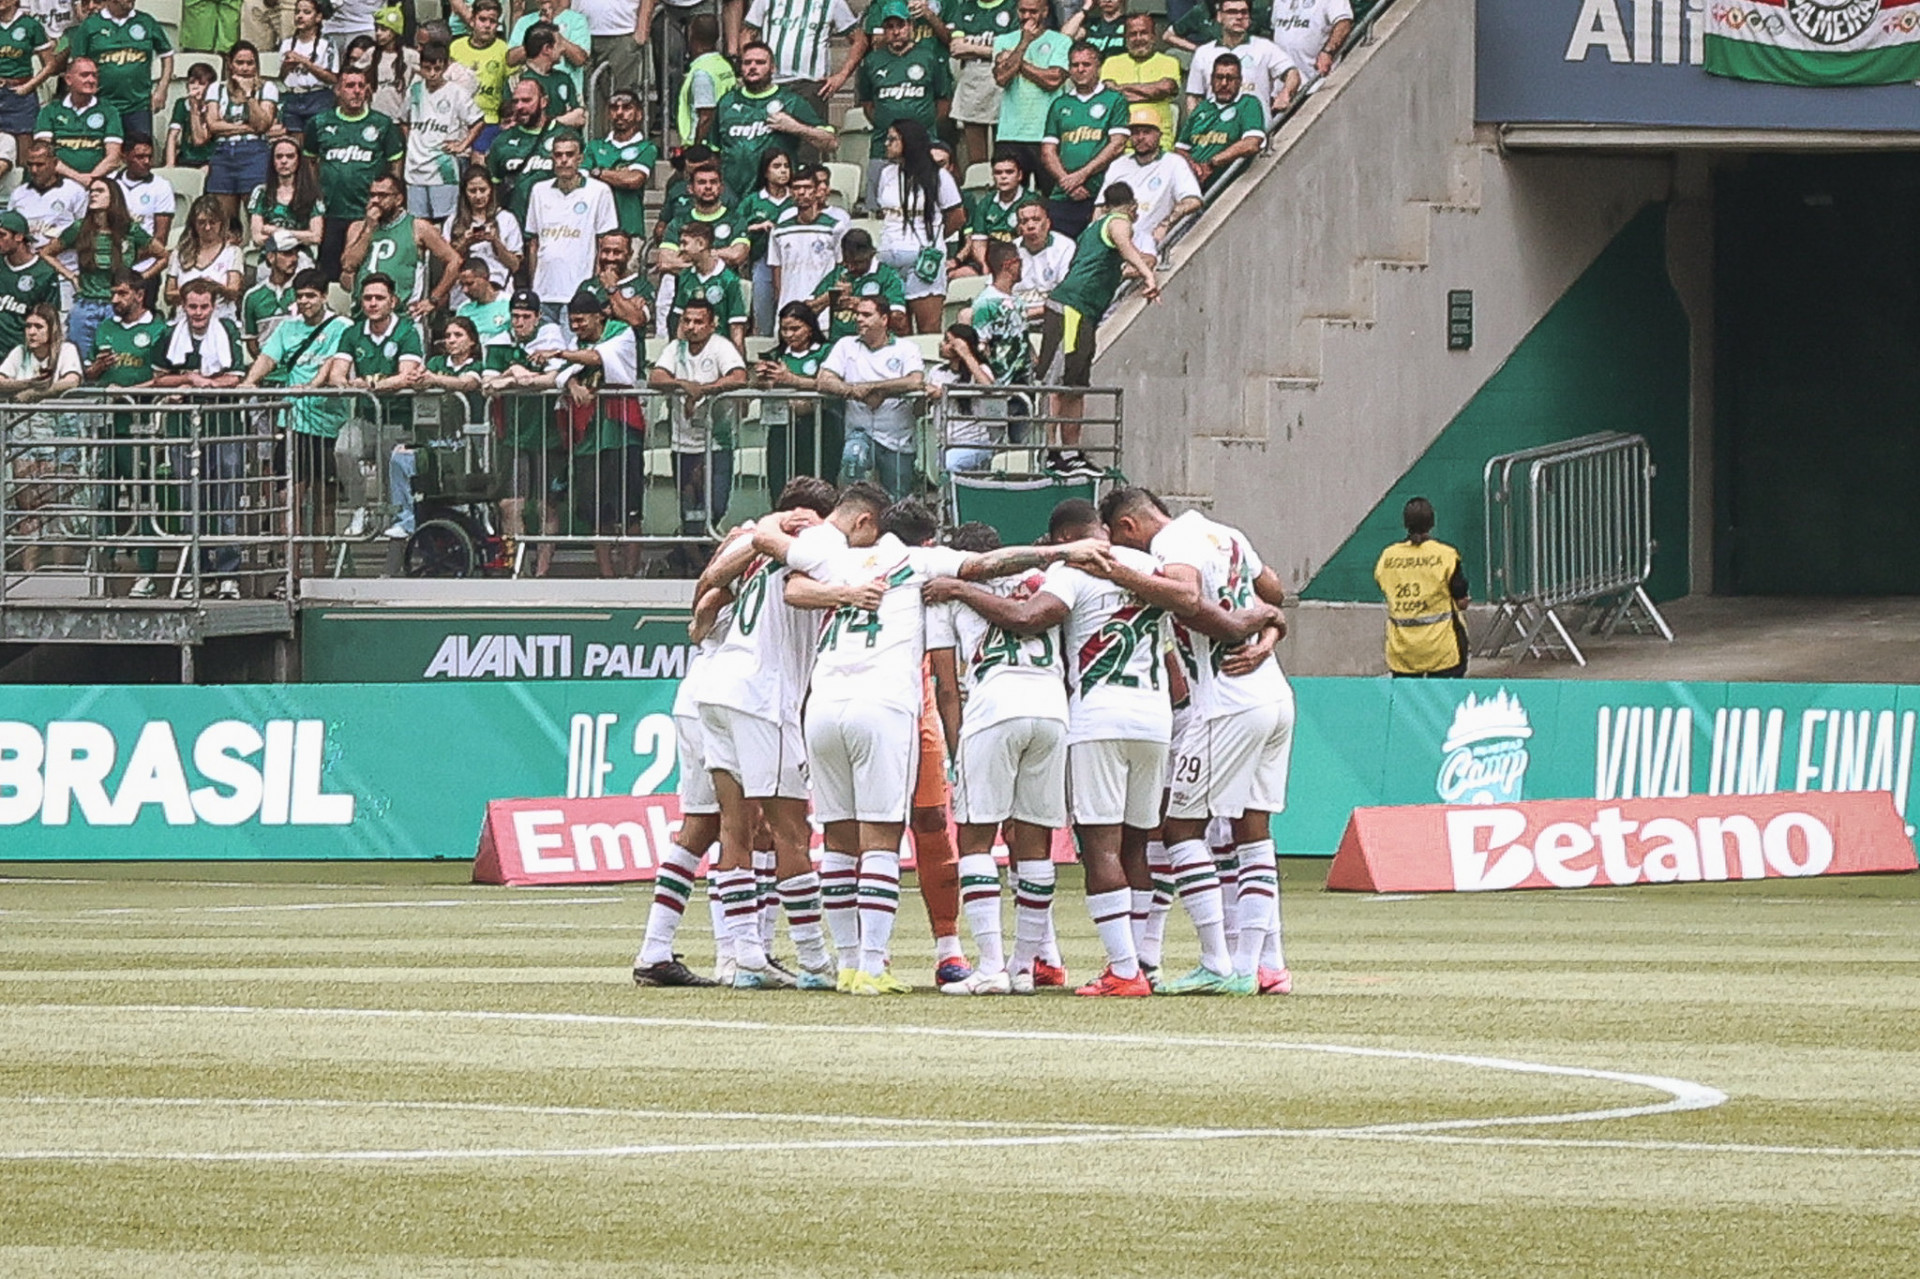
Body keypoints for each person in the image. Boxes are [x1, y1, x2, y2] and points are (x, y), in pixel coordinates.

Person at [753, 487, 1107, 993]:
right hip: (885, 703)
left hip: (824, 702)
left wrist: (778, 524)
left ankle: (846, 963)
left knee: (837, 840)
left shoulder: (833, 556)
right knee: (881, 838)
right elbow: (988, 565)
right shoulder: (922, 562)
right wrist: (1063, 552)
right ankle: (873, 967)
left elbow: (780, 566)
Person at [1099, 484, 1294, 995]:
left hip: (1226, 701)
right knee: (1253, 830)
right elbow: (1274, 590)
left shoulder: (1171, 545)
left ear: (1128, 527)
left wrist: (1119, 573)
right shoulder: (1226, 533)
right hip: (1274, 694)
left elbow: (1186, 597)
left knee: (1181, 828)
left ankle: (1216, 961)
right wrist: (1268, 630)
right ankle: (1260, 966)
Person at [683, 476, 844, 988]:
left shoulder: (752, 549)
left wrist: (759, 531)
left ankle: (746, 955)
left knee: (735, 827)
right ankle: (814, 960)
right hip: (762, 695)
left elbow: (708, 590)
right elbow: (798, 592)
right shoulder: (817, 544)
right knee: (790, 830)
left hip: (717, 690)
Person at [1033, 180, 1157, 476]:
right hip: (1070, 308)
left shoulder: (1092, 231)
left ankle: (1072, 453)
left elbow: (1104, 265)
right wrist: (1147, 275)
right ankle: (1049, 452)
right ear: (1132, 208)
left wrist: (1132, 271)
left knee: (1076, 387)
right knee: (1056, 383)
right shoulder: (1117, 221)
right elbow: (1124, 242)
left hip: (1084, 313)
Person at [240, 266, 351, 580]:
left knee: (324, 503)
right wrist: (249, 382)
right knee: (288, 499)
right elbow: (267, 358)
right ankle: (292, 574)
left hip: (329, 426)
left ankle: (319, 574)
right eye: (300, 296)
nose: (304, 302)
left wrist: (313, 385)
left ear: (324, 296)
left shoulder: (343, 327)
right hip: (292, 423)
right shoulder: (287, 328)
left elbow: (334, 364)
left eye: (310, 296)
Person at [529, 288, 648, 576]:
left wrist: (559, 353)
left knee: (629, 510)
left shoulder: (621, 332)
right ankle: (606, 575)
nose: (576, 326)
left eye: (581, 320)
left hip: (620, 430)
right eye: (572, 321)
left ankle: (630, 574)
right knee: (596, 512)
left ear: (598, 317)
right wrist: (571, 383)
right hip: (587, 437)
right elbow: (562, 373)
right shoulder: (576, 343)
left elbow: (595, 358)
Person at [151, 276, 248, 597]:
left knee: (227, 502)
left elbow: (236, 376)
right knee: (191, 503)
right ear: (183, 306)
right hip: (183, 429)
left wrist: (208, 385)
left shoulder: (228, 330)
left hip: (224, 428)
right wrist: (190, 379)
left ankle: (228, 573)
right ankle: (197, 571)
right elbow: (158, 378)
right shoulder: (169, 334)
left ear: (214, 306)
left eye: (204, 306)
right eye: (192, 306)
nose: (198, 313)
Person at [480, 288, 568, 576]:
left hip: (548, 434)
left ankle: (541, 571)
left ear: (538, 316)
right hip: (512, 435)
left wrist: (511, 380)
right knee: (509, 505)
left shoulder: (551, 337)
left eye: (525, 316)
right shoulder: (499, 340)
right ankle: (516, 568)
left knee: (546, 506)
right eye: (515, 316)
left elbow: (555, 379)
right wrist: (513, 372)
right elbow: (487, 384)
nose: (519, 322)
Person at [649, 295, 746, 557]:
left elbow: (739, 376)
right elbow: (656, 377)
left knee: (716, 505)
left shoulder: (721, 346)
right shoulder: (676, 348)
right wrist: (683, 384)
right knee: (689, 508)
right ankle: (693, 559)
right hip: (683, 443)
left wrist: (703, 390)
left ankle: (699, 552)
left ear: (712, 325)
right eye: (687, 321)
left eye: (698, 322)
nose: (691, 327)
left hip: (717, 442)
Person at [0, 303, 81, 572]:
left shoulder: (66, 350)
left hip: (61, 438)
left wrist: (37, 393)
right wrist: (27, 384)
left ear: (51, 328)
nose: (31, 332)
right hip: (25, 438)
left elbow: (72, 380)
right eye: (28, 326)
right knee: (28, 508)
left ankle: (60, 573)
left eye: (38, 326)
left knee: (58, 508)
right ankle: (28, 572)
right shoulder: (19, 353)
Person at [302, 64, 403, 278]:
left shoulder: (383, 124)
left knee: (367, 272)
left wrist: (388, 202)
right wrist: (317, 194)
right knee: (330, 275)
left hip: (368, 214)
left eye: (361, 86)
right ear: (338, 90)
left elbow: (395, 165)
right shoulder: (319, 123)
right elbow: (309, 161)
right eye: (350, 86)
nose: (356, 91)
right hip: (331, 213)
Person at [45, 175, 162, 356]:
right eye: (91, 191)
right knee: (81, 360)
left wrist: (139, 279)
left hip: (117, 305)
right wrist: (71, 276)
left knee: (116, 358)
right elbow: (47, 253)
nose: (93, 195)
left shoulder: (130, 229)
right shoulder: (79, 228)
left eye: (99, 191)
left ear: (113, 196)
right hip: (86, 304)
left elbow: (163, 255)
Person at [819, 293, 923, 496]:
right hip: (859, 432)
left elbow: (915, 381)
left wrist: (875, 388)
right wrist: (853, 391)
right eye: (857, 314)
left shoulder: (906, 348)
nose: (859, 319)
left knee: (897, 498)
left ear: (884, 319)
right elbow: (824, 380)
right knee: (852, 466)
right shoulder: (846, 344)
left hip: (898, 437)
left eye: (866, 315)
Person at [711, 41, 835, 200]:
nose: (753, 67)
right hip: (732, 197)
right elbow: (712, 151)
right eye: (747, 63)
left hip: (778, 199)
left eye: (760, 62)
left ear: (773, 68)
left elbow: (831, 143)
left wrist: (795, 127)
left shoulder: (791, 101)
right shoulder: (726, 102)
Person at [872, 118, 962, 335]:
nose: (886, 143)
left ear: (908, 141)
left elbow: (957, 217)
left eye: (893, 139)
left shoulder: (939, 176)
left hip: (923, 259)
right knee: (895, 327)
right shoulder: (886, 174)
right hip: (889, 257)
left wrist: (934, 240)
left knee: (928, 328)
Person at [855, 0, 951, 203]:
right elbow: (867, 104)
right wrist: (886, 122)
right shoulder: (871, 62)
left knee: (926, 203)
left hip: (925, 145)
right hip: (882, 147)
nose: (896, 32)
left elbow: (942, 101)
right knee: (878, 207)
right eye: (890, 27)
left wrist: (924, 124)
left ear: (911, 26)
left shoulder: (929, 57)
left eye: (901, 25)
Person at [522, 129, 615, 329]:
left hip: (577, 293)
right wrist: (534, 287)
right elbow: (534, 244)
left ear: (580, 159)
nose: (564, 160)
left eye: (569, 155)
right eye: (558, 155)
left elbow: (603, 243)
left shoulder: (599, 191)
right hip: (544, 292)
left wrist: (595, 288)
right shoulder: (539, 190)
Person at [339, 170, 462, 317]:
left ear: (398, 199)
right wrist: (369, 229)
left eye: (383, 195)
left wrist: (433, 300)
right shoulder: (358, 228)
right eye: (372, 195)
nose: (376, 201)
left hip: (403, 315)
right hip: (363, 314)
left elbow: (455, 261)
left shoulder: (418, 227)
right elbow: (348, 265)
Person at [1040, 40, 1127, 241]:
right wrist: (1067, 182)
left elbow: (1117, 145)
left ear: (1098, 67)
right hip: (1064, 194)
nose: (1080, 69)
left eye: (1086, 64)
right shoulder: (1060, 104)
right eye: (1075, 65)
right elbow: (1047, 151)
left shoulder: (1114, 100)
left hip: (1100, 192)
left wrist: (1081, 175)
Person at [1374, 495, 1470, 678]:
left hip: (1402, 652)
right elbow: (1461, 599)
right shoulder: (1446, 555)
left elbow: (1383, 584)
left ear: (1406, 524)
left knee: (1406, 695)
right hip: (1443, 651)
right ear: (1432, 523)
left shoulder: (1388, 556)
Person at [752, 299, 840, 490]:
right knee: (780, 482)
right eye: (784, 329)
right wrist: (762, 380)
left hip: (820, 426)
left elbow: (829, 384)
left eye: (795, 329)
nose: (789, 334)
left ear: (809, 328)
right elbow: (756, 384)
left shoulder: (826, 351)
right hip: (782, 425)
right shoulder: (776, 355)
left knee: (818, 483)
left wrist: (791, 379)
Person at [196, 40, 277, 224]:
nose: (245, 68)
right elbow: (213, 125)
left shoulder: (267, 88)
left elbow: (262, 125)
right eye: (240, 63)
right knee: (223, 219)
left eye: (250, 63)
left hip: (255, 153)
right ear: (230, 64)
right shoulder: (216, 88)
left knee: (257, 217)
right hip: (223, 154)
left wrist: (249, 95)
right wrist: (246, 127)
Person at [1103, 106, 1201, 257]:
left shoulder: (1174, 162)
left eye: (1146, 132)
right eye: (1135, 132)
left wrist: (1166, 224)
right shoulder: (1118, 165)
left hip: (1151, 246)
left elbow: (1193, 201)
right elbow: (1101, 208)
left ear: (1159, 135)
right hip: (1116, 246)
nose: (1140, 137)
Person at [66, 0, 171, 140]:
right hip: (101, 105)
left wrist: (162, 89)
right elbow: (76, 65)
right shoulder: (90, 26)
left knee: (140, 151)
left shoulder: (146, 22)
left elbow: (167, 55)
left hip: (138, 105)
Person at [989, 0, 1067, 182]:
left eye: (1033, 12)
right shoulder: (1003, 40)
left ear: (1045, 12)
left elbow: (1053, 80)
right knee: (1010, 192)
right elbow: (1002, 78)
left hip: (1047, 133)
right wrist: (1024, 43)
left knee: (1049, 192)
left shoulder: (1061, 41)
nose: (1026, 16)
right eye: (1022, 11)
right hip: (1009, 133)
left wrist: (1017, 62)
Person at [402, 42, 482, 219]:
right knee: (417, 222)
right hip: (414, 169)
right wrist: (411, 142)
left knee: (445, 221)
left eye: (437, 68)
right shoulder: (414, 91)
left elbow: (477, 121)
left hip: (443, 170)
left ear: (445, 67)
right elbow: (403, 120)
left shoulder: (456, 93)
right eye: (427, 68)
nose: (432, 74)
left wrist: (462, 145)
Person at [1186, 0, 1294, 123]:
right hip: (1216, 129)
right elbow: (1194, 96)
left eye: (1244, 12)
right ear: (1219, 16)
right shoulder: (1203, 53)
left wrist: (1286, 93)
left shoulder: (1265, 47)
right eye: (1232, 12)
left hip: (1256, 128)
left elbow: (1292, 72)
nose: (1239, 17)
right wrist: (1194, 127)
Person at [742, 0, 856, 113]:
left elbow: (859, 39)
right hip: (771, 82)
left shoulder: (832, 2)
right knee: (766, 124)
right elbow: (747, 34)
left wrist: (842, 75)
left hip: (810, 84)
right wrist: (750, 66)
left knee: (810, 124)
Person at [765, 161, 845, 316]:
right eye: (796, 188)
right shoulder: (779, 231)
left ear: (817, 191)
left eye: (807, 187)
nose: (802, 192)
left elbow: (840, 268)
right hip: (788, 308)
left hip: (822, 312)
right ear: (791, 192)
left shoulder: (835, 228)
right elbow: (777, 269)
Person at [943, 0, 1013, 173]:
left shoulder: (1012, 6)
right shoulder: (965, 7)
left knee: (1004, 156)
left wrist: (971, 48)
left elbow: (1012, 52)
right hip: (972, 84)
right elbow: (956, 49)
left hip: (1003, 84)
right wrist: (992, 51)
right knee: (976, 162)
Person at [1177, 51, 1265, 187]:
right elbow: (1181, 149)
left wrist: (1212, 163)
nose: (1224, 83)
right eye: (1219, 78)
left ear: (1240, 81)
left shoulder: (1248, 103)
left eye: (1230, 78)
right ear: (1211, 80)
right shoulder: (1202, 108)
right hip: (1192, 181)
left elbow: (1251, 143)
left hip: (1224, 182)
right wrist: (1194, 167)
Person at [807, 224, 904, 342]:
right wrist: (828, 298)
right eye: (847, 262)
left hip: (874, 344)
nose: (851, 268)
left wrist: (860, 305)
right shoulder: (839, 273)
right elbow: (804, 313)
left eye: (857, 262)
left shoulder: (887, 276)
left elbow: (898, 321)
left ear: (871, 255)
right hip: (837, 345)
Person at [664, 217, 747, 351]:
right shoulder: (685, 276)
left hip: (720, 351)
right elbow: (681, 322)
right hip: (692, 352)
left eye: (685, 243)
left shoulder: (728, 279)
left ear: (701, 244)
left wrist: (738, 360)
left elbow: (736, 326)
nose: (681, 249)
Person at [35, 57, 122, 183]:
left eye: (94, 76)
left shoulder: (109, 111)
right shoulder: (50, 111)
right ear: (68, 79)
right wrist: (78, 178)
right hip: (58, 181)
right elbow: (43, 155)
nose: (91, 80)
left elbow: (113, 157)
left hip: (98, 181)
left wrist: (91, 179)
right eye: (84, 75)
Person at [1099, 12, 1180, 147]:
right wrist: (1151, 92)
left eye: (1143, 33)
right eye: (1133, 34)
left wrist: (1121, 89)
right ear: (1125, 38)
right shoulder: (1111, 62)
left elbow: (1163, 89)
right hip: (1119, 146)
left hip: (1160, 145)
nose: (1138, 38)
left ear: (1153, 36)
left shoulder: (1169, 62)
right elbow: (1110, 96)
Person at [926, 321, 997, 473]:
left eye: (947, 341)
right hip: (945, 442)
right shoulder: (937, 371)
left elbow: (989, 388)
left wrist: (966, 354)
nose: (941, 344)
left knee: (950, 463)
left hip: (975, 441)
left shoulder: (980, 369)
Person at [484, 77, 558, 221]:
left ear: (543, 102)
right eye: (515, 101)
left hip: (555, 223)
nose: (519, 106)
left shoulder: (564, 136)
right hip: (516, 224)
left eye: (526, 100)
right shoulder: (501, 142)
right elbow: (493, 190)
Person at [588, 86, 657, 240]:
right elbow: (581, 179)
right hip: (596, 232)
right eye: (614, 108)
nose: (619, 113)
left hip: (630, 231)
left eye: (627, 108)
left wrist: (598, 172)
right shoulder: (594, 146)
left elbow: (633, 180)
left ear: (639, 114)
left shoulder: (647, 148)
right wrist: (619, 175)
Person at [655, 160, 748, 274]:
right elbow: (665, 261)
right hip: (686, 284)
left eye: (713, 182)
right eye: (702, 182)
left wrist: (693, 256)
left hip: (725, 284)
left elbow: (737, 255)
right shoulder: (678, 223)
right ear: (690, 189)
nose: (708, 187)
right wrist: (717, 256)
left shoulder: (736, 220)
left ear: (721, 188)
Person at [444, 164, 521, 302]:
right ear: (464, 192)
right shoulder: (453, 221)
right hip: (462, 297)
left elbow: (515, 265)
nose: (478, 196)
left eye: (483, 190)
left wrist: (495, 241)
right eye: (472, 191)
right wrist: (465, 243)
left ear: (491, 190)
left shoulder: (506, 219)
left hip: (499, 292)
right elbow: (446, 263)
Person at [736, 147, 791, 335]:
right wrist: (757, 227)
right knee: (763, 316)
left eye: (786, 166)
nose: (783, 171)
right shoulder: (753, 201)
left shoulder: (796, 199)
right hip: (762, 261)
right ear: (765, 172)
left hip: (792, 264)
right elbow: (735, 228)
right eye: (777, 166)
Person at [164, 192, 245, 320]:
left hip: (221, 318)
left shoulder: (232, 252)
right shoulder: (180, 253)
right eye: (201, 222)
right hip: (184, 319)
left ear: (221, 223)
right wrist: (193, 290)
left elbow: (234, 292)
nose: (207, 227)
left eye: (212, 222)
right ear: (193, 223)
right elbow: (168, 296)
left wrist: (215, 288)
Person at [113, 132, 172, 302]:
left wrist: (128, 259)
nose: (147, 162)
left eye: (149, 157)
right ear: (124, 156)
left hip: (145, 269)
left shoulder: (161, 187)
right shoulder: (110, 184)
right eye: (140, 157)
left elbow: (160, 237)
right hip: (111, 269)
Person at [247, 136, 325, 259]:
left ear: (298, 160)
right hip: (270, 258)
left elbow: (316, 236)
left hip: (301, 257)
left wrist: (278, 232)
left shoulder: (312, 193)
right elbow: (257, 237)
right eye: (279, 156)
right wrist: (299, 237)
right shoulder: (261, 192)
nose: (284, 161)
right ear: (273, 161)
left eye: (290, 156)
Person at [0, 0, 57, 160]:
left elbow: (50, 64)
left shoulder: (30, 25)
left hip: (20, 94)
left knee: (25, 152)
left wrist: (29, 86)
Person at [0, 207, 58, 361]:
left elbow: (49, 318)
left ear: (19, 237)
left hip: (21, 355)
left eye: (2, 235)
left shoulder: (44, 273)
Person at [449, 0, 508, 147]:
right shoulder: (456, 47)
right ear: (472, 20)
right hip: (457, 120)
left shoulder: (503, 49)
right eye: (482, 19)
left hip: (489, 120)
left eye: (492, 21)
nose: (487, 25)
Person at [277, 0, 340, 139]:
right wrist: (287, 66)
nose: (300, 16)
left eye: (307, 12)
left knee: (316, 140)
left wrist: (304, 62)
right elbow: (282, 77)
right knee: (293, 140)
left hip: (318, 96)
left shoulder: (327, 43)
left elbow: (333, 78)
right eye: (297, 12)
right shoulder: (287, 43)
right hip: (292, 96)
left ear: (318, 17)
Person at [506, 0, 589, 103]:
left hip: (568, 92)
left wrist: (553, 32)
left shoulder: (577, 20)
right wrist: (538, 34)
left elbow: (581, 60)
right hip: (531, 95)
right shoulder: (524, 21)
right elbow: (511, 60)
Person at [509, 21, 585, 129]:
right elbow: (514, 123)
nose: (563, 49)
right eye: (560, 45)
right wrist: (560, 122)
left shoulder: (564, 78)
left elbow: (580, 117)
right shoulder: (517, 81)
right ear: (547, 49)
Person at [674, 12, 733, 145]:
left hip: (704, 145)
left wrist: (697, 146)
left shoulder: (702, 72)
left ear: (691, 36)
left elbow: (706, 116)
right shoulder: (724, 65)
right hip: (721, 139)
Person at [241, 229, 302, 354]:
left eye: (296, 253)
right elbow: (251, 341)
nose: (294, 259)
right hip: (266, 360)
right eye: (287, 253)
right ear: (271, 257)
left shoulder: (305, 290)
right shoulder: (252, 296)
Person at [1010, 195, 1072, 318]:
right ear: (1019, 228)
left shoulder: (1065, 246)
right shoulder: (1011, 250)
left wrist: (1029, 313)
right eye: (1024, 221)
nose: (1030, 226)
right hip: (1016, 316)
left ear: (1048, 223)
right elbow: (996, 290)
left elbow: (1066, 294)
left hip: (1053, 315)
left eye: (1036, 219)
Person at [576, 0, 646, 107]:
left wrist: (642, 29)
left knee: (623, 100)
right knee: (585, 101)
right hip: (581, 32)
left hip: (624, 33)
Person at [964, 148, 1024, 274]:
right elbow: (979, 240)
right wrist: (984, 264)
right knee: (958, 275)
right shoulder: (985, 203)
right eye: (998, 173)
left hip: (1021, 259)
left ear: (1019, 175)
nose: (1003, 177)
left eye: (1009, 172)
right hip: (989, 260)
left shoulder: (1031, 202)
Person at [1268, 0, 1350, 89]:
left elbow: (1344, 23)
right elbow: (1275, 31)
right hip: (1283, 86)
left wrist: (1328, 52)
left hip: (1317, 83)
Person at [163, 61, 217, 170]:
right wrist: (170, 164)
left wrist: (194, 107)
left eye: (201, 84)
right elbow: (173, 135)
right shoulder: (181, 104)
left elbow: (200, 139)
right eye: (192, 83)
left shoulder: (214, 106)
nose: (195, 87)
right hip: (186, 157)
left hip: (208, 158)